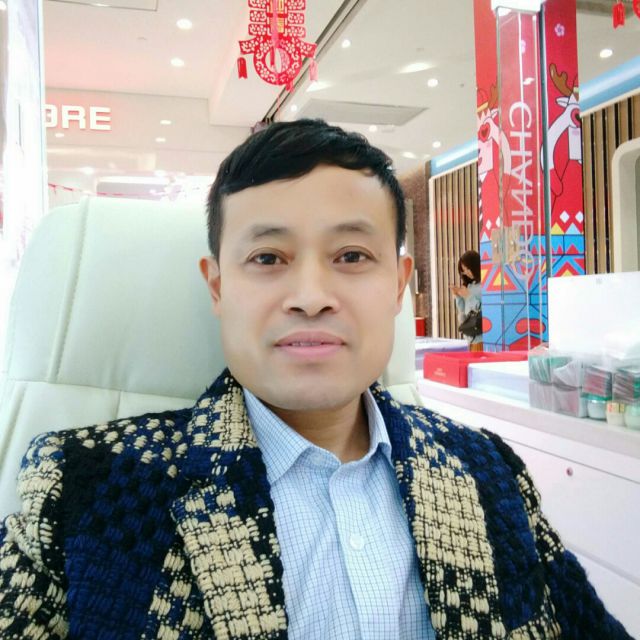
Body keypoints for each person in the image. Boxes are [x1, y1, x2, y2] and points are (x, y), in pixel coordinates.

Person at [0, 119, 632, 640]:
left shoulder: (488, 471)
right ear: (218, 287)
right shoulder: (84, 487)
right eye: (267, 257)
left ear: (398, 285)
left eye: (351, 256)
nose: (310, 295)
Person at [451, 249, 483, 351]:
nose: (466, 273)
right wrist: (458, 296)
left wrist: (468, 296)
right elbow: (463, 311)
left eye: (468, 268)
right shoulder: (469, 286)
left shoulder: (484, 285)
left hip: (481, 338)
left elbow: (482, 310)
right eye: (464, 270)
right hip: (470, 339)